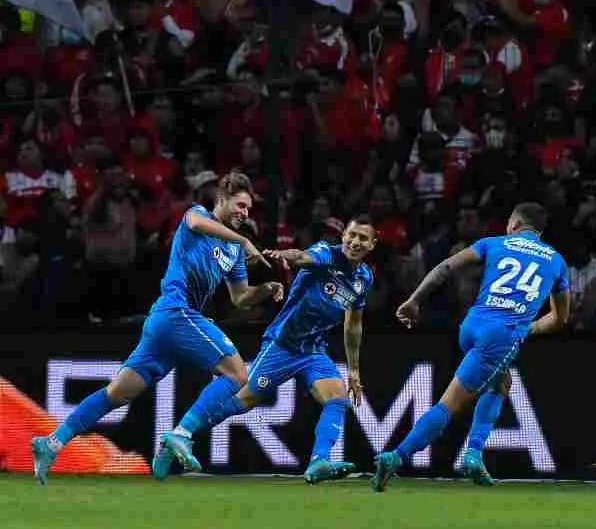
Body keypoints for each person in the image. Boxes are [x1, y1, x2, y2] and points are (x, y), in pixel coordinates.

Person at [31, 171, 282, 485]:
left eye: (248, 210)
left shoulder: (233, 252)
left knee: (118, 392)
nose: (245, 214)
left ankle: (51, 442)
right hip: (176, 312)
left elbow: (241, 298)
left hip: (169, 324)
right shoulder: (199, 216)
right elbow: (195, 224)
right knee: (236, 374)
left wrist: (266, 289)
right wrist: (244, 239)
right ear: (222, 199)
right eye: (240, 205)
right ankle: (180, 434)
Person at [153, 215, 377, 484]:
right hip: (282, 345)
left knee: (337, 399)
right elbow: (302, 257)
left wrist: (354, 369)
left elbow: (353, 324)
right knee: (242, 401)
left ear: (372, 244)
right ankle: (180, 435)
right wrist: (284, 255)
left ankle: (319, 461)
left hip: (313, 351)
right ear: (343, 237)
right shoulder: (326, 254)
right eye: (351, 235)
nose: (355, 241)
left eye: (363, 238)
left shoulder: (364, 278)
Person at [371, 202, 570, 491]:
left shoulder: (492, 242)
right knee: (449, 404)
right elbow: (560, 318)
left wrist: (415, 300)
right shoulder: (556, 261)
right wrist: (530, 327)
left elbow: (447, 266)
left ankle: (473, 455)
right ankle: (396, 456)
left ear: (514, 224)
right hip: (500, 335)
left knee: (501, 382)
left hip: (471, 325)